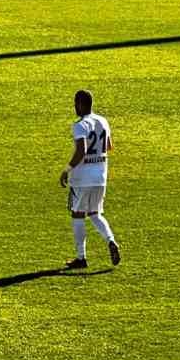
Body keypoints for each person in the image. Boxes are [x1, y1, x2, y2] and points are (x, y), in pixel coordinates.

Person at [59, 89, 120, 270]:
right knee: (95, 213)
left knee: (77, 214)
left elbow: (81, 150)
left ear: (80, 104)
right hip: (100, 177)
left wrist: (66, 170)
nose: (74, 107)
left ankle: (81, 257)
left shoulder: (79, 125)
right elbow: (108, 146)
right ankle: (111, 240)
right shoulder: (103, 121)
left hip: (82, 179)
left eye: (75, 103)